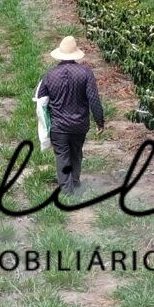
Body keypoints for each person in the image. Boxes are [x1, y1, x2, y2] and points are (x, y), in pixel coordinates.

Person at [35, 36, 104, 195]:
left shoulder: (50, 75)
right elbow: (94, 99)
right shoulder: (86, 73)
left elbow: (40, 100)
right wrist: (99, 121)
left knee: (62, 156)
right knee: (76, 152)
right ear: (75, 55)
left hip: (59, 127)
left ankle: (67, 190)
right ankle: (75, 182)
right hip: (80, 125)